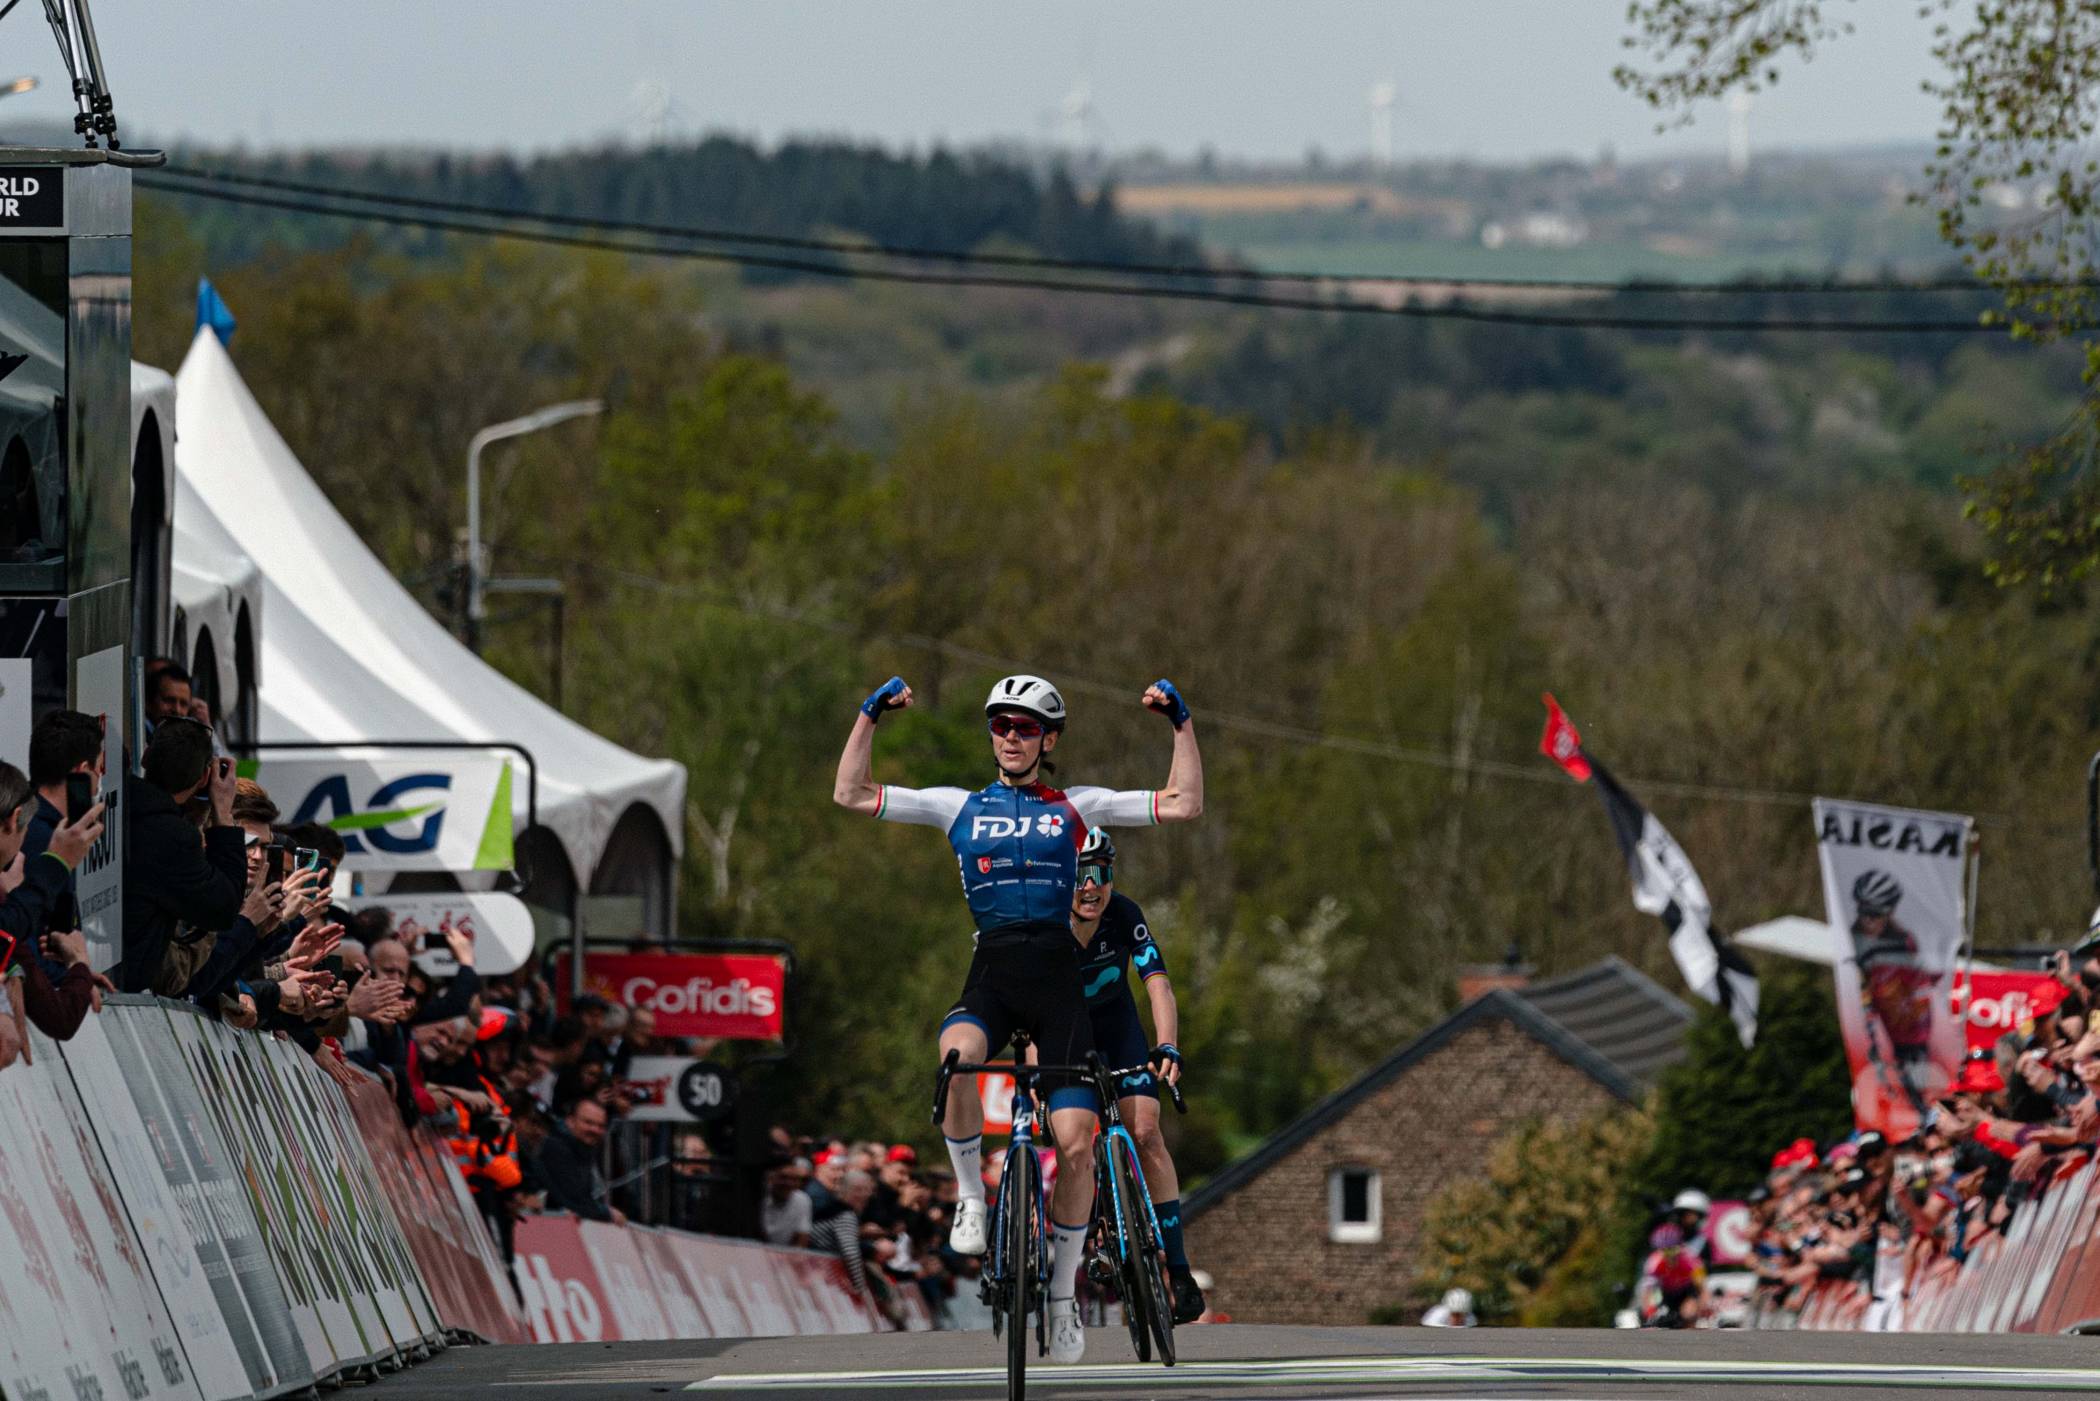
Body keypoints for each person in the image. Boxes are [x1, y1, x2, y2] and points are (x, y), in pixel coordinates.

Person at [833, 671, 1203, 1365]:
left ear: (1048, 739)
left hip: (1061, 989)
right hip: (994, 977)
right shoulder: (958, 804)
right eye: (1000, 724)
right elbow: (850, 793)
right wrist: (869, 715)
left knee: (1076, 1145)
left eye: (1025, 726)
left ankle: (1062, 1296)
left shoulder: (1078, 803)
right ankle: (973, 1197)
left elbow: (1183, 803)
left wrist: (1181, 725)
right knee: (956, 1062)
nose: (1010, 736)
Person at [1067, 827, 1205, 1323]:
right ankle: (1096, 1234)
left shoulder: (1124, 914)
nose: (1090, 886)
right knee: (1075, 1140)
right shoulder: (1047, 923)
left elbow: (1158, 986)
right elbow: (1032, 1009)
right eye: (1079, 875)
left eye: (1100, 874)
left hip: (1120, 1030)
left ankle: (1181, 1271)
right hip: (1067, 1037)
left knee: (1146, 1133)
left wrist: (1167, 1044)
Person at [117, 719, 245, 993]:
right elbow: (224, 907)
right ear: (203, 779)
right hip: (122, 982)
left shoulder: (114, 802)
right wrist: (222, 812)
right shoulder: (174, 838)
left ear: (145, 756)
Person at [534, 1097, 626, 1224]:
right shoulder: (556, 1148)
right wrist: (607, 1213)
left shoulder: (584, 1149)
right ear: (570, 1121)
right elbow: (572, 1200)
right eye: (588, 1123)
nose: (595, 1129)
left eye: (601, 1126)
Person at [762, 1159, 814, 1248]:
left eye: (794, 1179)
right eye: (783, 1177)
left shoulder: (802, 1200)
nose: (788, 1183)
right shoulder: (760, 1198)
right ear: (771, 1178)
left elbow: (802, 1240)